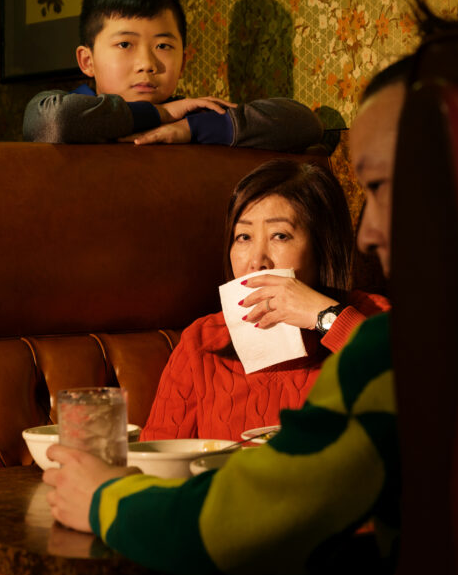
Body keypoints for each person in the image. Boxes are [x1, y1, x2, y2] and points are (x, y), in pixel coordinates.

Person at [39, 0, 458, 575]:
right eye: (242, 236)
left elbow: (244, 523)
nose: (373, 232)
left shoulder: (402, 350)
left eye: (385, 188)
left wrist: (99, 497)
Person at [142, 158, 390, 441]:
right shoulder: (201, 341)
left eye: (280, 236)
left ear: (323, 248)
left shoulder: (374, 319)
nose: (257, 261)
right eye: (244, 237)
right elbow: (155, 462)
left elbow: (428, 410)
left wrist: (326, 317)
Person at [22, 0, 323, 150]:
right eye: (125, 44)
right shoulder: (74, 108)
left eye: (163, 45)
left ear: (184, 60)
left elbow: (304, 124)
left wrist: (189, 129)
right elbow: (52, 122)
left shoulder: (194, 118)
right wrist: (160, 114)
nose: (147, 63)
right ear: (87, 60)